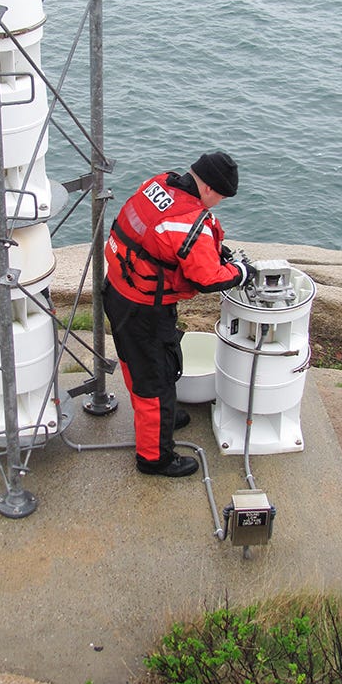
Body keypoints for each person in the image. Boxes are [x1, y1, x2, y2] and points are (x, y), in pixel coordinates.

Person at [102, 151, 256, 477]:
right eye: (221, 199)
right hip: (144, 310)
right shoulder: (190, 223)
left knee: (142, 365)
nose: (217, 205)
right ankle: (154, 458)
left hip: (117, 290)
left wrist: (215, 251)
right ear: (212, 190)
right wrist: (241, 272)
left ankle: (162, 419)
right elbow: (207, 278)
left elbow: (162, 240)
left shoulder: (158, 183)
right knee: (153, 381)